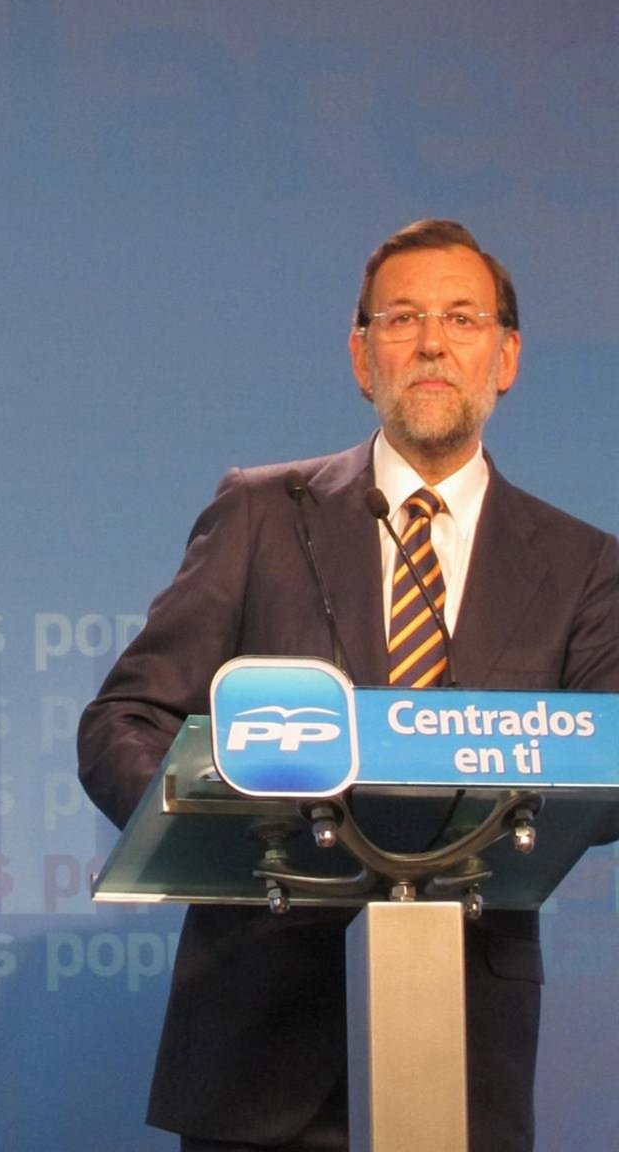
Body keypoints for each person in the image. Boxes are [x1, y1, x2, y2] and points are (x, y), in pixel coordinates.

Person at [77, 218, 619, 1152]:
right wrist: (224, 830)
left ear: (506, 357)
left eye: (462, 317)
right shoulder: (263, 513)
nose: (432, 342)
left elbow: (608, 768)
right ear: (363, 357)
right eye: (402, 318)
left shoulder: (582, 564)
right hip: (258, 1040)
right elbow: (125, 719)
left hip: (463, 1041)